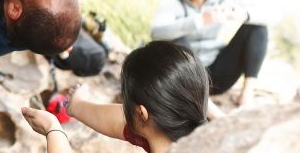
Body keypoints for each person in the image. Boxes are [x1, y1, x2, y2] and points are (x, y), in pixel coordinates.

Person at [23, 41, 210, 153]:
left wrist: (53, 130)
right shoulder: (194, 131)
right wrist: (77, 106)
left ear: (141, 113)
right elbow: (120, 122)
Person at [150, 0, 268, 106]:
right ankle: (208, 107)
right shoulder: (173, 2)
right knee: (176, 39)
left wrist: (242, 14)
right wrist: (200, 20)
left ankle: (247, 94)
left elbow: (271, 14)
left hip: (219, 75)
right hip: (186, 78)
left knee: (256, 26)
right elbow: (156, 32)